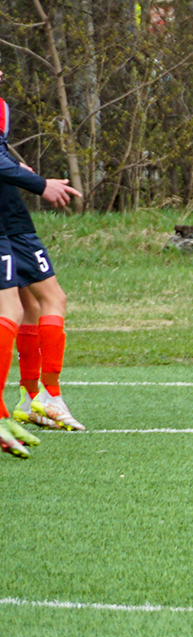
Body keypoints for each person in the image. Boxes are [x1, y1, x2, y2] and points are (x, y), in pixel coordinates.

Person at [0, 83, 81, 454]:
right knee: (43, 301)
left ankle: (29, 397)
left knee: (29, 305)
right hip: (9, 220)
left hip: (10, 214)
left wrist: (15, 167)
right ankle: (48, 394)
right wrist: (40, 184)